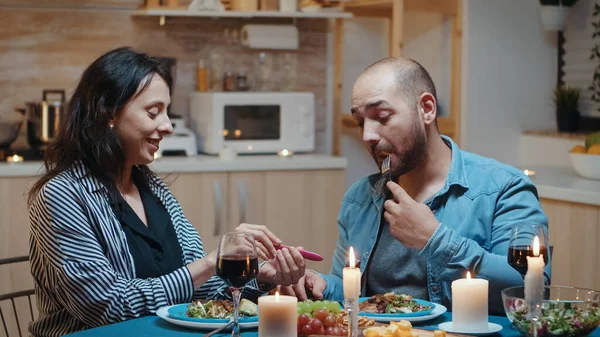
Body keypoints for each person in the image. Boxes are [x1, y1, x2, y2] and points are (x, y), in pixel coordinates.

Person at [27, 46, 306, 337]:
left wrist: (258, 276)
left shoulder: (155, 191)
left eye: (167, 112)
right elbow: (107, 306)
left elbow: (203, 286)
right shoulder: (61, 195)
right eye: (153, 112)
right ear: (108, 113)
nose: (168, 126)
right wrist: (214, 260)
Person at [281, 57, 551, 313]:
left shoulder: (504, 188)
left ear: (427, 109)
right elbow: (350, 291)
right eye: (360, 122)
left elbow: (530, 291)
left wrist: (434, 240)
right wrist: (320, 284)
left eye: (382, 117)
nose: (367, 136)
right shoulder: (359, 198)